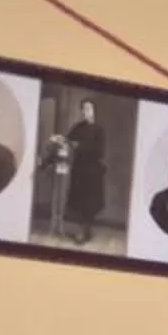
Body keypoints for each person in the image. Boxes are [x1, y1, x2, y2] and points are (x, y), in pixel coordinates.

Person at [59, 97, 108, 242]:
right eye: (83, 109)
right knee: (79, 202)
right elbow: (68, 140)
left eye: (88, 109)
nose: (85, 112)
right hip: (79, 169)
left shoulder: (99, 129)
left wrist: (79, 146)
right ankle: (84, 231)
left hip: (92, 171)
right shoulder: (77, 127)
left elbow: (100, 152)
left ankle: (86, 232)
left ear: (93, 111)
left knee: (90, 203)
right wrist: (61, 140)